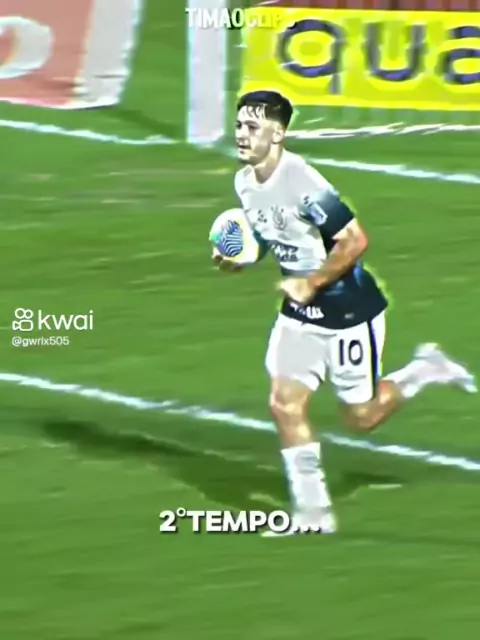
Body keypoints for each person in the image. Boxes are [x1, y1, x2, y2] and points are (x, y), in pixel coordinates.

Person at [213, 90, 477, 536]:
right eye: (239, 124)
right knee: (284, 404)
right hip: (300, 316)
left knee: (361, 418)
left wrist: (311, 283)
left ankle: (425, 370)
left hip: (348, 313)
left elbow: (354, 240)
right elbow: (279, 235)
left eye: (253, 127)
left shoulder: (302, 181)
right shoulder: (245, 182)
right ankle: (314, 514)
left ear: (277, 134)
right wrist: (242, 257)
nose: (242, 134)